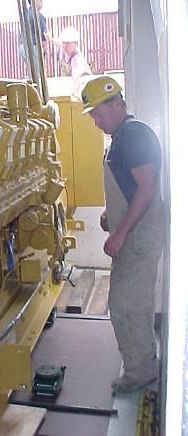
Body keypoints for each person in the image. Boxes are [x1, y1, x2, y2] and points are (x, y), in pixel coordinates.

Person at [81, 76, 165, 394]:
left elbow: (146, 189)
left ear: (117, 105)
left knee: (127, 305)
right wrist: (111, 217)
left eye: (98, 113)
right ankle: (142, 360)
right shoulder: (124, 136)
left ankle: (140, 373)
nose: (95, 120)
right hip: (133, 229)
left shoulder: (132, 136)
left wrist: (120, 232)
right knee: (130, 301)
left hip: (139, 234)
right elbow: (131, 188)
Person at [57, 26, 91, 99]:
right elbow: (58, 44)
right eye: (63, 43)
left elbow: (76, 79)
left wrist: (74, 95)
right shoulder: (64, 52)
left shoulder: (77, 60)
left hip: (83, 91)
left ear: (75, 44)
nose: (64, 46)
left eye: (68, 43)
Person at [19, 0, 51, 71]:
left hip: (22, 47)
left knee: (31, 71)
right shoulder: (38, 16)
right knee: (38, 73)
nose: (42, 3)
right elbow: (44, 35)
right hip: (33, 46)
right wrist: (46, 49)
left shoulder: (25, 14)